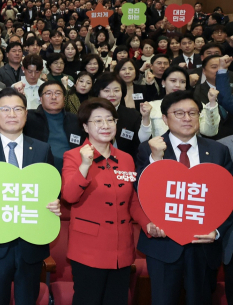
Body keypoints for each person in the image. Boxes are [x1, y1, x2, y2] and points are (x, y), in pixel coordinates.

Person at [136, 90, 233, 305]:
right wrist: (155, 159)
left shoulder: (218, 151)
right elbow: (139, 192)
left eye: (192, 113)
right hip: (163, 246)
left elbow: (228, 198)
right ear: (164, 118)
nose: (187, 118)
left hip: (203, 246)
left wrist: (216, 231)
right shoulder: (148, 149)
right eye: (179, 113)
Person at [0, 88, 60, 305]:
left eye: (18, 109)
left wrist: (54, 203)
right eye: (5, 109)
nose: (11, 114)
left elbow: (50, 187)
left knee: (27, 299)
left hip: (31, 241)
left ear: (26, 114)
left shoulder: (42, 149)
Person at [62, 98, 154, 305]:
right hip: (88, 249)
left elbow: (132, 201)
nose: (105, 125)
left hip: (121, 249)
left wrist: (148, 224)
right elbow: (69, 196)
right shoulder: (73, 156)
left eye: (110, 120)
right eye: (98, 121)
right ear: (86, 126)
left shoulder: (126, 159)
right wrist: (85, 166)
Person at [25, 80, 87, 171]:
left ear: (64, 98)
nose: (53, 97)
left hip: (72, 168)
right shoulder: (28, 118)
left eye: (58, 93)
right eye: (48, 93)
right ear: (41, 99)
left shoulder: (76, 120)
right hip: (39, 169)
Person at [90, 73, 151, 157]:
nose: (112, 94)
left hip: (125, 162)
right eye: (106, 91)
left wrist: (146, 118)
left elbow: (143, 140)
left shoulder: (132, 114)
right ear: (98, 93)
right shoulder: (89, 113)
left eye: (116, 90)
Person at [147, 66, 219, 138]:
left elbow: (210, 132)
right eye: (173, 81)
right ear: (163, 82)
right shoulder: (152, 106)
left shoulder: (196, 105)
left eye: (182, 82)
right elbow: (144, 137)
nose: (178, 85)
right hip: (161, 147)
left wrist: (212, 102)